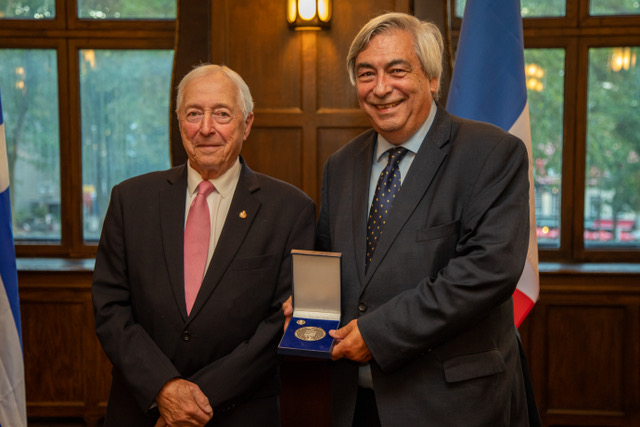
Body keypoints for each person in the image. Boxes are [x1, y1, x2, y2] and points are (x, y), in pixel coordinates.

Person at [285, 12, 537, 426]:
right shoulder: (341, 165)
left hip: (453, 405)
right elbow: (333, 263)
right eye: (367, 74)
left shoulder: (492, 153)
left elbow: (487, 271)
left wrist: (378, 333)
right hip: (357, 403)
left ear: (432, 78)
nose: (381, 88)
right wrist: (311, 303)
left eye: (396, 70)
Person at [92, 64, 316, 427]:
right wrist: (163, 389)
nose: (206, 128)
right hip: (143, 409)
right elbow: (110, 308)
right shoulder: (130, 200)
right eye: (194, 113)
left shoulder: (291, 210)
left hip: (239, 413)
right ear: (179, 121)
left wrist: (193, 402)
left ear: (247, 124)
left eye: (222, 114)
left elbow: (281, 322)